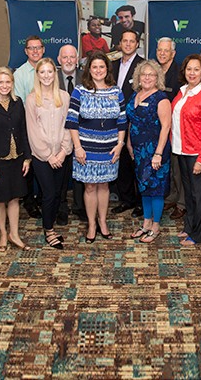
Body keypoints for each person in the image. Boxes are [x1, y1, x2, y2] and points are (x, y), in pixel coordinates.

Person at [66, 51, 127, 243]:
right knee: (90, 186)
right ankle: (92, 224)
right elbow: (72, 121)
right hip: (86, 149)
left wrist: (120, 145)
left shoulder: (116, 91)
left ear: (107, 69)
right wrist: (77, 148)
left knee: (104, 185)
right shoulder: (79, 91)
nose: (98, 70)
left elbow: (122, 121)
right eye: (95, 67)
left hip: (110, 149)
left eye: (102, 66)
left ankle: (103, 222)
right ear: (89, 70)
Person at [0, 67, 33, 252]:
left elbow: (23, 131)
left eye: (8, 82)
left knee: (15, 198)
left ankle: (14, 234)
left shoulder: (17, 103)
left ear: (12, 83)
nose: (4, 85)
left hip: (17, 158)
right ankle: (3, 233)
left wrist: (27, 158)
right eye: (0, 82)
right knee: (0, 199)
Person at [171, 54, 201, 246]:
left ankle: (200, 234)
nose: (192, 73)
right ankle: (190, 226)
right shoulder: (183, 91)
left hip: (198, 153)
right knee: (189, 193)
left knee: (199, 195)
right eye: (189, 69)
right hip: (182, 151)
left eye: (196, 69)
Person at [25, 58, 72, 249]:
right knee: (49, 194)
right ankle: (49, 230)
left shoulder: (64, 97)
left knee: (58, 194)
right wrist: (48, 155)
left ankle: (51, 225)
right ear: (37, 75)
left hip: (61, 155)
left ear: (55, 73)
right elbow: (33, 131)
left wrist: (63, 151)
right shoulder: (31, 99)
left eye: (50, 72)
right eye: (42, 72)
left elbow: (68, 125)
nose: (46, 76)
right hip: (42, 157)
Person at [126, 60, 172, 243]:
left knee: (156, 189)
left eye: (151, 75)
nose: (147, 78)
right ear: (138, 77)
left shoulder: (161, 98)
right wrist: (129, 143)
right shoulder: (135, 95)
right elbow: (131, 121)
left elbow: (166, 127)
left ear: (157, 78)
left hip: (155, 151)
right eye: (143, 74)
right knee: (144, 187)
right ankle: (146, 223)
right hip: (138, 151)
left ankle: (156, 226)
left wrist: (158, 153)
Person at [111, 30, 144, 217]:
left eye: (132, 41)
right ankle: (127, 199)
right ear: (120, 43)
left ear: (137, 44)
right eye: (125, 41)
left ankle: (140, 202)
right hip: (115, 122)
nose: (128, 44)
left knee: (136, 163)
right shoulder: (112, 65)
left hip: (136, 122)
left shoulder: (143, 65)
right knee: (122, 162)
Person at [13, 35, 44, 219]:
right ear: (26, 51)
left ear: (43, 49)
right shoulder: (20, 74)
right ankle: (29, 202)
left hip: (47, 127)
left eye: (38, 47)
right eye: (31, 48)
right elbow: (18, 104)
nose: (35, 51)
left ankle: (42, 198)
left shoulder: (48, 69)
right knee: (29, 167)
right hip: (28, 126)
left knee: (44, 165)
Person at [157, 37, 185, 220]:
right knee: (167, 166)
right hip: (158, 128)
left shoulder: (180, 74)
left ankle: (182, 203)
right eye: (159, 50)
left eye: (166, 50)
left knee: (178, 167)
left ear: (173, 53)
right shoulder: (155, 70)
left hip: (176, 128)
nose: (162, 53)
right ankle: (172, 196)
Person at [57, 44, 85, 223]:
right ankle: (61, 207)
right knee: (60, 173)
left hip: (81, 133)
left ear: (77, 60)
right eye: (65, 57)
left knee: (80, 172)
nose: (68, 60)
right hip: (58, 134)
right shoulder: (51, 78)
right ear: (59, 60)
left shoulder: (86, 78)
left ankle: (79, 206)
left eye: (72, 57)